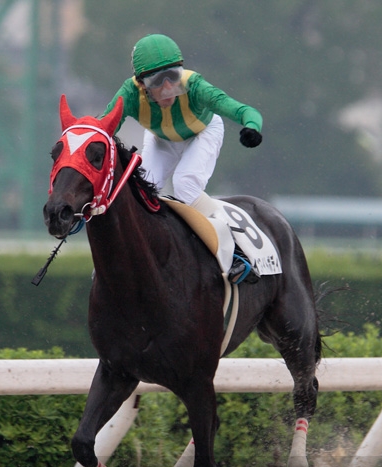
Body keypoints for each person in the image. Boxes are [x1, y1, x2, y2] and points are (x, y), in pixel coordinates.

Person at [102, 33, 263, 284]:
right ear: (141, 84)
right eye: (157, 81)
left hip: (203, 132)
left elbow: (244, 110)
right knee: (141, 192)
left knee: (185, 183)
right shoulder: (129, 94)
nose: (168, 88)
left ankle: (237, 252)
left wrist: (252, 126)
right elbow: (102, 130)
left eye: (173, 76)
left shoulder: (195, 86)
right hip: (161, 139)